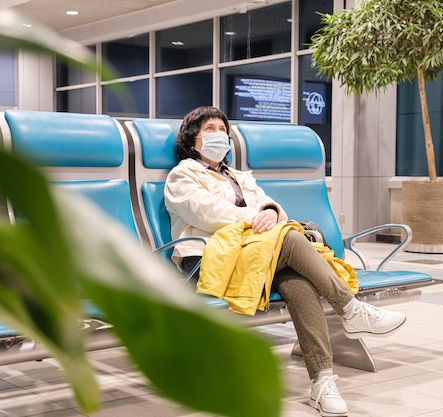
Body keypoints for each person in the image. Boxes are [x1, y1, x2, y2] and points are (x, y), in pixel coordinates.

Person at [164, 106, 407, 417]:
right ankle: (350, 308)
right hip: (209, 260)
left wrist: (270, 212)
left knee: (299, 282)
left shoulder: (239, 176)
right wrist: (257, 217)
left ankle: (322, 381)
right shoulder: (182, 175)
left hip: (253, 255)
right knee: (290, 238)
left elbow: (273, 208)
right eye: (209, 129)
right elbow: (205, 212)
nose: (219, 135)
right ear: (192, 140)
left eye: (223, 129)